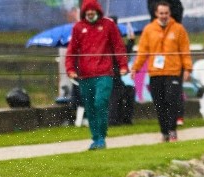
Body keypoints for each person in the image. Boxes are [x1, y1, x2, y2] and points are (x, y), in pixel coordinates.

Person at [65, 0, 129, 150]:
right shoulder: (78, 28)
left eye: (92, 11)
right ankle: (95, 138)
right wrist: (70, 69)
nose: (90, 14)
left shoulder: (108, 25)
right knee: (90, 107)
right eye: (87, 12)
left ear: (98, 11)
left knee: (101, 103)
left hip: (104, 73)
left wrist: (123, 65)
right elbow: (71, 51)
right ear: (84, 13)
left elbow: (118, 46)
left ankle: (101, 137)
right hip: (85, 75)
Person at [132, 0, 192, 142]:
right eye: (161, 13)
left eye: (166, 13)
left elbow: (185, 50)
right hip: (156, 72)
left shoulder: (178, 29)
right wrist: (136, 67)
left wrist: (187, 68)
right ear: (156, 14)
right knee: (159, 104)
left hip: (173, 71)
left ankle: (172, 131)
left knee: (172, 101)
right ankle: (164, 132)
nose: (164, 16)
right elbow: (143, 51)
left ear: (170, 13)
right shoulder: (149, 29)